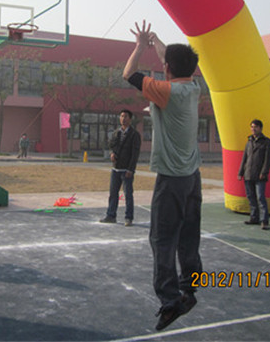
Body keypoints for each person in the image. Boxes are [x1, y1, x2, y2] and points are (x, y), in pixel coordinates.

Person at [123, 20, 202, 331]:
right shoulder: (193, 87)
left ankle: (170, 301)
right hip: (192, 177)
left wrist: (140, 47)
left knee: (161, 239)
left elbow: (128, 73)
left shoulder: (167, 91)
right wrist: (156, 42)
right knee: (188, 234)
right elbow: (173, 61)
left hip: (172, 180)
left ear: (167, 68)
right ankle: (190, 286)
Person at [99, 109, 141, 226]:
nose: (123, 119)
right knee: (113, 194)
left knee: (128, 194)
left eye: (125, 116)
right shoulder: (116, 133)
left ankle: (128, 217)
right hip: (116, 169)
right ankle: (111, 215)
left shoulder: (134, 135)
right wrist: (112, 153)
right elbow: (111, 145)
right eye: (121, 116)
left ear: (130, 119)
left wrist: (131, 169)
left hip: (126, 170)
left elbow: (135, 154)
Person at [237, 119, 270, 230]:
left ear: (260, 128)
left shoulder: (267, 142)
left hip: (259, 175)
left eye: (255, 127)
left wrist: (264, 172)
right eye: (252, 127)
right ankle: (254, 217)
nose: (253, 129)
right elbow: (245, 158)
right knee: (251, 197)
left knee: (260, 197)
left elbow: (268, 160)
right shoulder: (249, 142)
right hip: (248, 174)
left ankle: (264, 220)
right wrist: (240, 172)